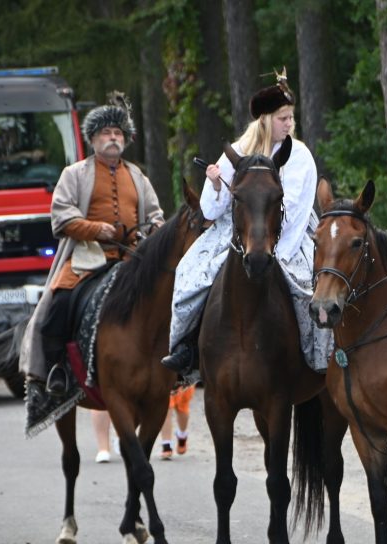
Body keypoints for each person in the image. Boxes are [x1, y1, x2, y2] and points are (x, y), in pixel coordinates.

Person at [163, 68, 332, 375]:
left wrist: (278, 253)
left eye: (291, 117)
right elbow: (211, 211)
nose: (289, 124)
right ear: (265, 120)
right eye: (283, 118)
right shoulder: (238, 151)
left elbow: (295, 208)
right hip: (236, 230)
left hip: (286, 232)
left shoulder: (299, 155)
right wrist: (216, 185)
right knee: (190, 273)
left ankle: (320, 358)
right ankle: (186, 347)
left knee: (311, 286)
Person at [20, 92, 165, 434]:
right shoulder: (74, 174)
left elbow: (156, 215)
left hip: (132, 261)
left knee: (166, 300)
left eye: (118, 133)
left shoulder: (138, 176)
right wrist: (95, 229)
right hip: (86, 258)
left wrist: (155, 231)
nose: (113, 138)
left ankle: (174, 367)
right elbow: (61, 217)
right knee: (58, 305)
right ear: (93, 139)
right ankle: (56, 372)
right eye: (106, 133)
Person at [158, 385, 194, 459]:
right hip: (166, 380)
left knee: (182, 409)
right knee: (166, 406)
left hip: (184, 380)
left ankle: (182, 435)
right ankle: (166, 444)